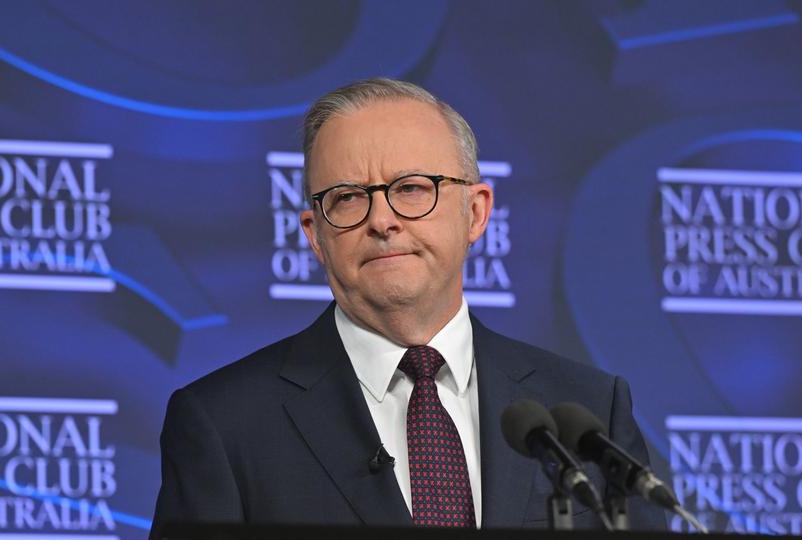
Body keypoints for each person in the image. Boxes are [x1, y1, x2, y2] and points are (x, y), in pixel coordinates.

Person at [150, 78, 666, 536]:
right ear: (315, 234)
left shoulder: (587, 412)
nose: (383, 220)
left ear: (476, 212)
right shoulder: (225, 424)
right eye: (348, 198)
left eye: (412, 188)